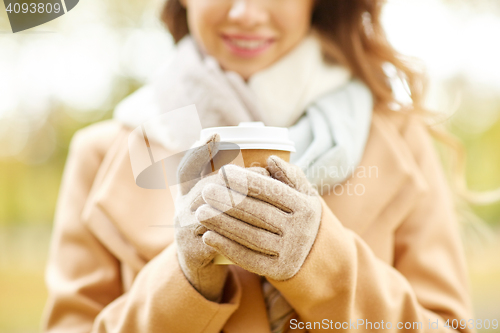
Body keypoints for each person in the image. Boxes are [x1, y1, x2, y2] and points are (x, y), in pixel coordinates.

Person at [42, 0, 476, 332]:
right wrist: (183, 281)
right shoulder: (101, 153)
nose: (246, 13)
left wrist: (323, 262)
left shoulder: (398, 140)